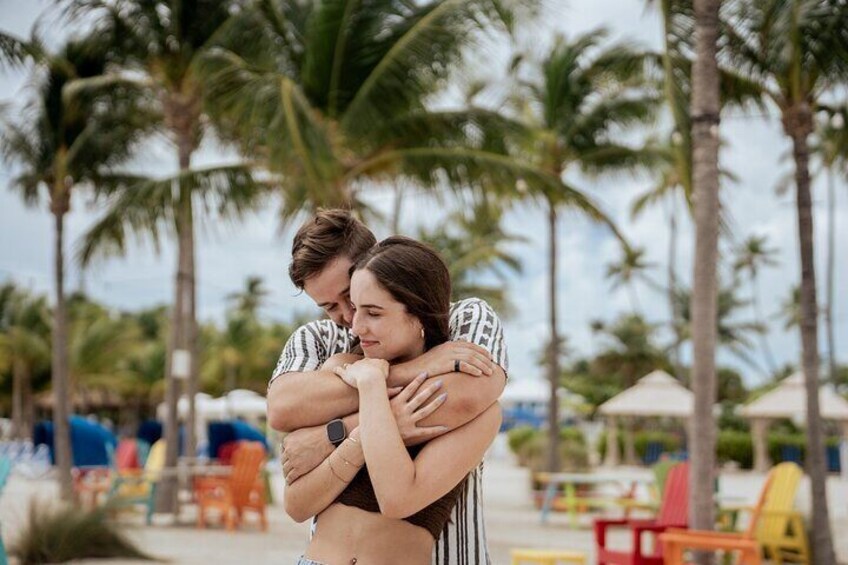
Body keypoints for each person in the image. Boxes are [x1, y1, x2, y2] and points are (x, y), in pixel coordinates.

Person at [268, 209, 508, 564]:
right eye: (329, 307)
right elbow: (282, 410)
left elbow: (466, 397)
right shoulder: (324, 343)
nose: (350, 321)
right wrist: (391, 376)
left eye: (354, 299)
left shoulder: (466, 320)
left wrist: (333, 432)